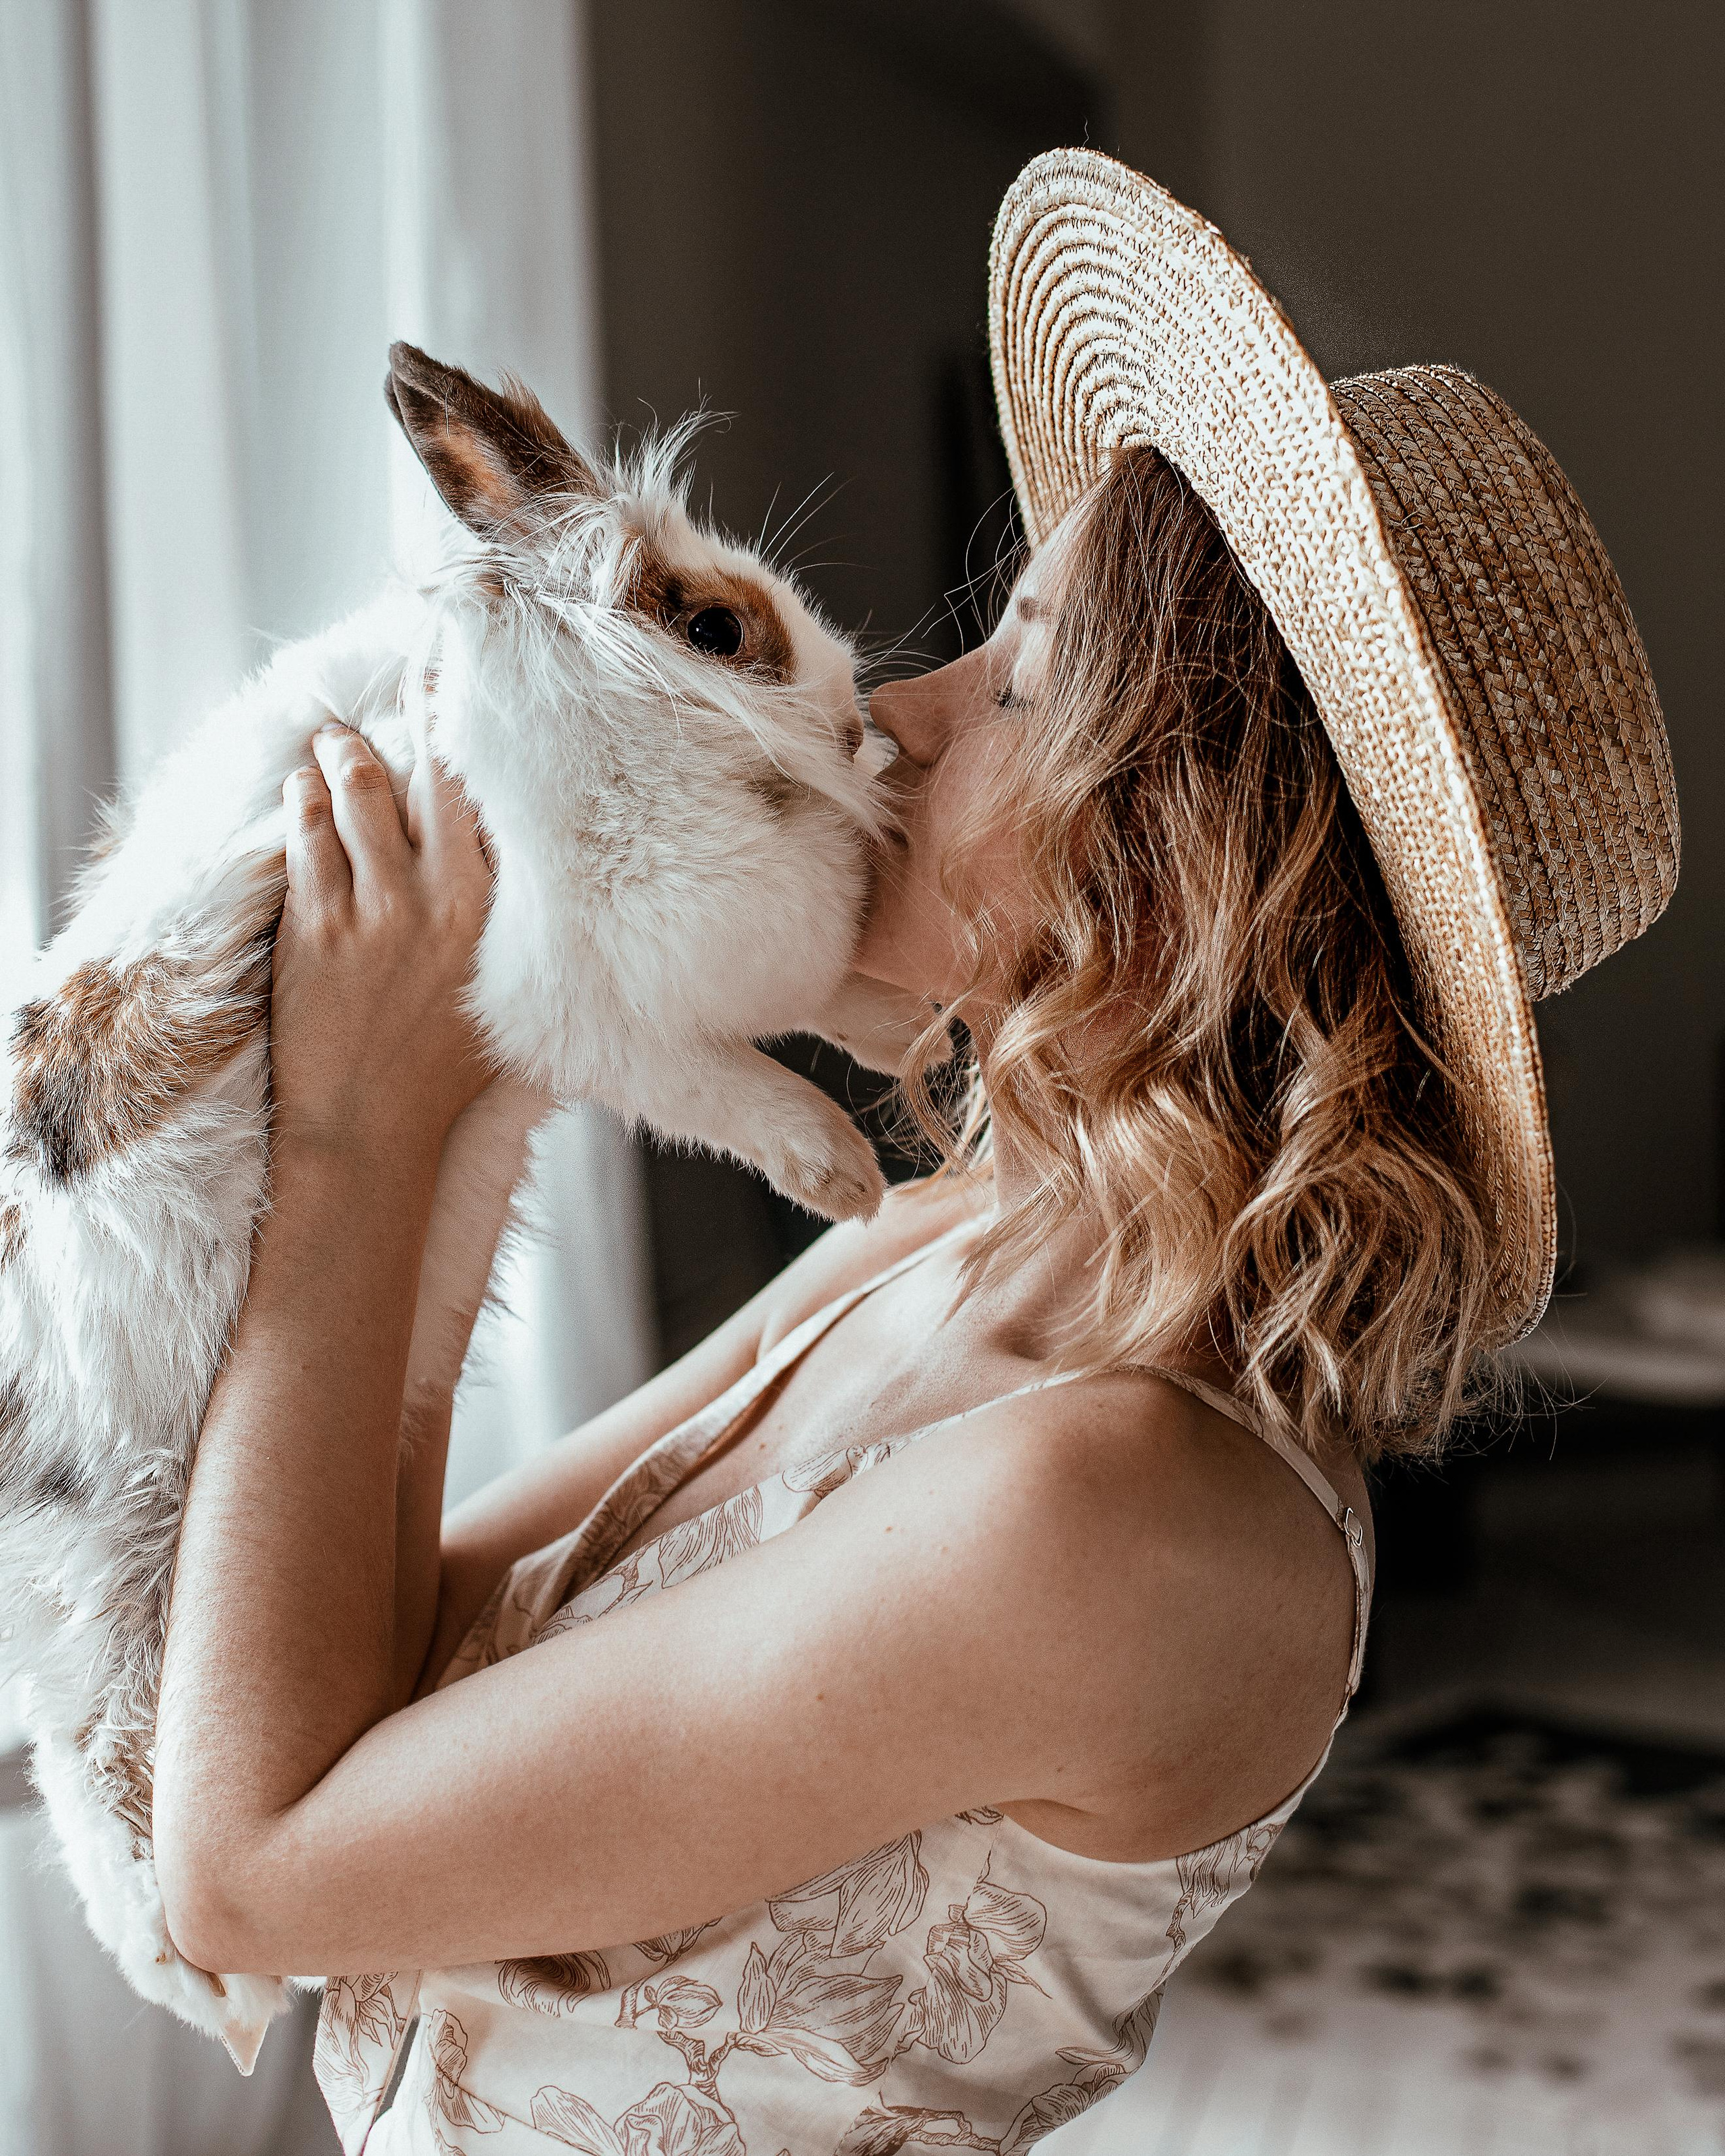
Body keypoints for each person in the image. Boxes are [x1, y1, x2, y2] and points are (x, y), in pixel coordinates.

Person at [152, 154, 1677, 2154]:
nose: (894, 710)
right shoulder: (946, 1240)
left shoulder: (1113, 1505)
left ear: (1192, 873)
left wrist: (365, 1141)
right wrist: (482, 1051)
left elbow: (250, 1865)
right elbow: (386, 1661)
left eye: (1024, 676)